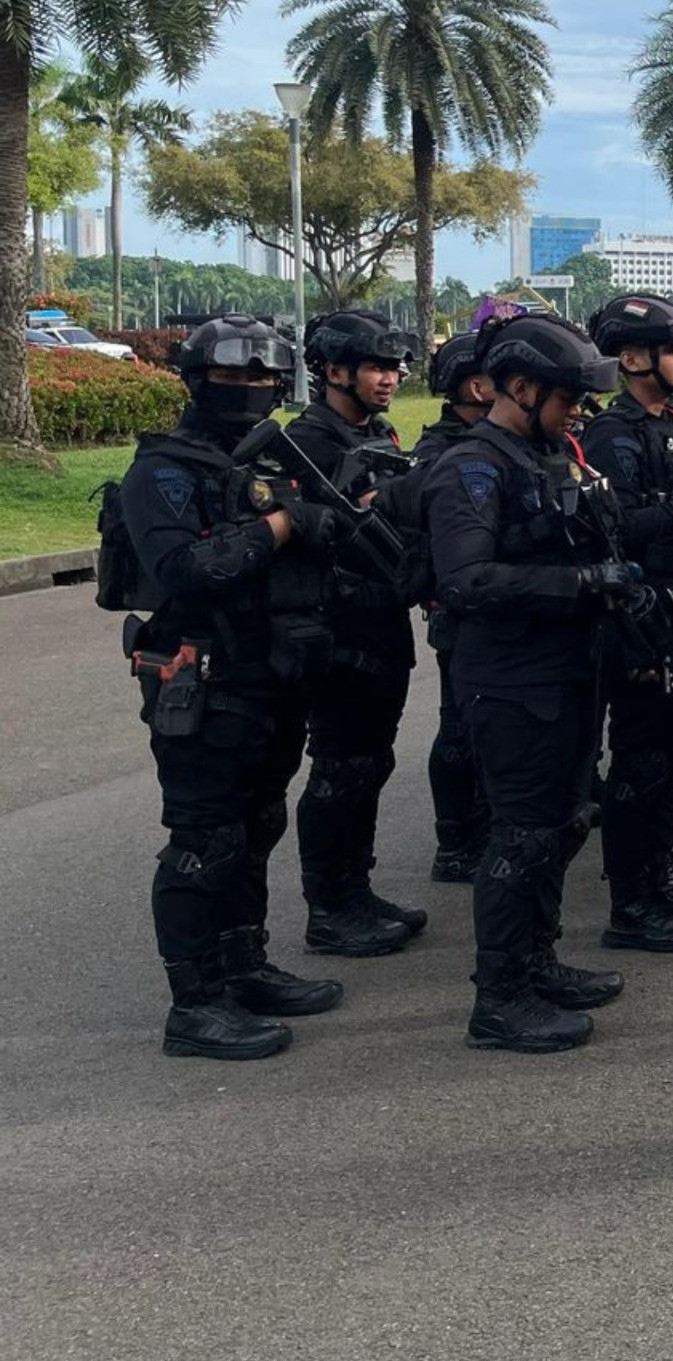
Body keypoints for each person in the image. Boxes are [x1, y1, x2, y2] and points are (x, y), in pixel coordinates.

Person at [116, 316, 348, 1060]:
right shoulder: (163, 471)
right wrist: (283, 525)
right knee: (203, 840)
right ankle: (195, 1003)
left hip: (267, 674)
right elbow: (188, 570)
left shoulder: (269, 462)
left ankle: (244, 964)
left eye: (263, 380)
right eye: (233, 378)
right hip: (200, 677)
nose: (249, 392)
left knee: (256, 826)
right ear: (194, 380)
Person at [415, 311, 629, 1054]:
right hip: (510, 681)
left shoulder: (540, 455)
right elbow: (467, 579)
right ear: (519, 388)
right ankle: (500, 996)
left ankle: (537, 962)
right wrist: (579, 582)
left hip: (565, 671)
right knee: (522, 835)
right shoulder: (474, 466)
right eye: (566, 399)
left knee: (563, 824)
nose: (576, 414)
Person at [582, 294, 673, 955]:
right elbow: (618, 526)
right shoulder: (613, 437)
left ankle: (661, 879)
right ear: (634, 358)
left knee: (671, 755)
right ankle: (632, 902)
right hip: (639, 620)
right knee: (640, 760)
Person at [283, 309, 427, 959]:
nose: (389, 378)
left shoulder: (378, 434)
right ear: (334, 371)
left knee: (372, 761)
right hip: (335, 627)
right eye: (376, 366)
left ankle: (356, 888)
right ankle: (329, 905)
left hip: (381, 619)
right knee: (339, 767)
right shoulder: (305, 444)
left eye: (394, 367)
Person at [413, 329, 496, 883]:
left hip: (492, 607)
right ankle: (457, 841)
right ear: (475, 385)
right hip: (460, 606)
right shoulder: (444, 450)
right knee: (460, 726)